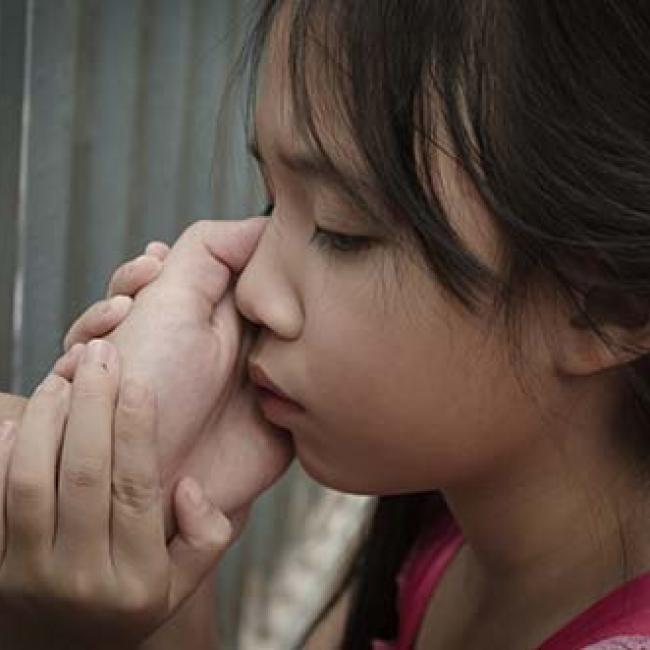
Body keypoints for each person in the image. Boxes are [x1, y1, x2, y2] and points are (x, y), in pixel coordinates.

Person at [3, 0, 650, 648]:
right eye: (272, 198)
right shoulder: (449, 506)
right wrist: (160, 510)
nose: (252, 292)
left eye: (343, 231)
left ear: (610, 305)